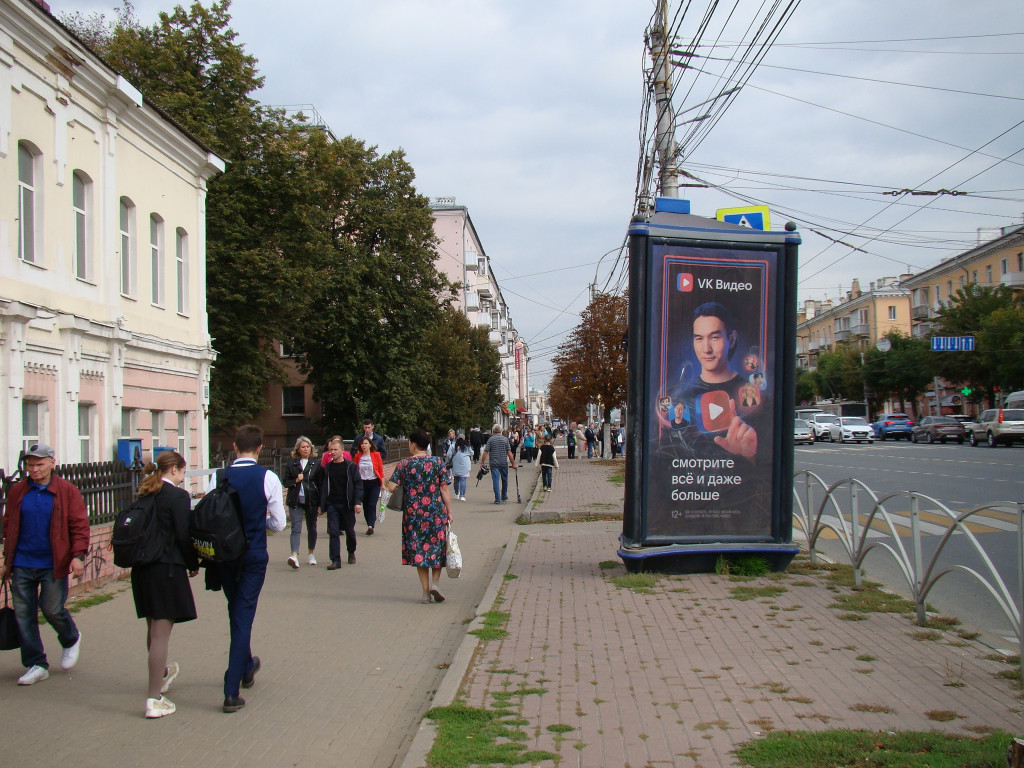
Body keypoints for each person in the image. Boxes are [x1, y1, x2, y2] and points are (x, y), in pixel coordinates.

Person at [0, 443, 88, 686]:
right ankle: (36, 663)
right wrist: (7, 561)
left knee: (51, 608)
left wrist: (78, 556)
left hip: (53, 563)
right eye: (30, 465)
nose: (34, 470)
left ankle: (70, 637)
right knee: (23, 614)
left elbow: (79, 525)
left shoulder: (66, 491)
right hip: (22, 563)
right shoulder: (18, 491)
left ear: (52, 462)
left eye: (39, 464)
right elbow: (9, 525)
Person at [213, 425, 286, 713]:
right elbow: (279, 523)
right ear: (260, 449)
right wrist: (260, 527)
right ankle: (231, 689)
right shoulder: (267, 477)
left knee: (236, 609)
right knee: (243, 614)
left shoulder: (219, 477)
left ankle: (246, 665)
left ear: (234, 447)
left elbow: (211, 515)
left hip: (225, 556)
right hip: (253, 553)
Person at [130, 451, 200, 718]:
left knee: (152, 628)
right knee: (161, 635)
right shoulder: (178, 497)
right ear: (175, 470)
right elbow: (183, 534)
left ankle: (159, 676)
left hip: (142, 570)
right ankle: (153, 698)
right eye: (183, 472)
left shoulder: (145, 493)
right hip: (167, 569)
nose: (183, 477)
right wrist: (193, 562)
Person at [679, 301, 759, 460]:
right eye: (699, 338)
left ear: (732, 338)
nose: (706, 348)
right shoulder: (682, 396)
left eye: (714, 337)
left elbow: (767, 462)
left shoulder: (752, 396)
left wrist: (749, 454)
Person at [386, 430, 452, 604]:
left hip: (413, 514)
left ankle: (424, 593)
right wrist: (449, 512)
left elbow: (392, 488)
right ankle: (435, 584)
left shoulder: (404, 464)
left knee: (419, 551)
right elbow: (444, 489)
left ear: (413, 445)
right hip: (436, 512)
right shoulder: (437, 462)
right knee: (437, 548)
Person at [321, 436, 364, 568]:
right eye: (330, 450)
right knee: (333, 532)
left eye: (335, 449)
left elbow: (358, 485)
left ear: (342, 450)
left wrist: (357, 502)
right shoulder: (327, 468)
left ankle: (351, 551)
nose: (332, 452)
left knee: (350, 531)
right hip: (332, 504)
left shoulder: (350, 466)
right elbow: (323, 487)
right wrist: (321, 505)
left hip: (347, 504)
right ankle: (335, 560)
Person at [282, 437, 321, 569]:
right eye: (303, 447)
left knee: (312, 527)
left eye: (308, 446)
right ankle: (294, 555)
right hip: (295, 499)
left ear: (311, 448)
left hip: (311, 499)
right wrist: (296, 481)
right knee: (295, 528)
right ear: (298, 449)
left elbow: (320, 483)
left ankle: (311, 553)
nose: (306, 449)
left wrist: (321, 503)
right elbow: (285, 482)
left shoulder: (316, 463)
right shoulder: (292, 463)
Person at [353, 435, 384, 535]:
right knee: (366, 505)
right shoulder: (357, 456)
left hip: (374, 483)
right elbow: (355, 470)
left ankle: (371, 525)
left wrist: (382, 484)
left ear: (370, 445)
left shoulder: (376, 455)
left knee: (371, 504)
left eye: (366, 443)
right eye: (362, 444)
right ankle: (369, 524)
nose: (364, 445)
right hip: (362, 483)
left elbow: (380, 470)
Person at [480, 424, 517, 504]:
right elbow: (509, 453)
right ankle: (504, 495)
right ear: (501, 430)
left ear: (493, 430)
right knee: (504, 479)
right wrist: (513, 463)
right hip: (504, 462)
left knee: (495, 480)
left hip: (494, 463)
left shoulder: (490, 440)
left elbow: (486, 452)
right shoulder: (505, 439)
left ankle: (497, 498)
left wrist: (482, 462)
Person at [446, 436, 473, 501]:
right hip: (465, 464)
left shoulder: (453, 445)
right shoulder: (467, 446)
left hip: (455, 463)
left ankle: (456, 493)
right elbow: (472, 453)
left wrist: (450, 460)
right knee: (463, 479)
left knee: (456, 479)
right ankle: (462, 496)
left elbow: (449, 454)